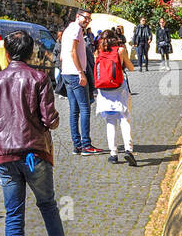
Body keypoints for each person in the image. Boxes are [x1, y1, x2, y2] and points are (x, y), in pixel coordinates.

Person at [0, 30, 69, 236]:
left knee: (13, 215)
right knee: (48, 206)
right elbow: (50, 120)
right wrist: (55, 118)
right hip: (34, 154)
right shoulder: (39, 79)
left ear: (7, 53)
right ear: (31, 52)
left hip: (5, 157)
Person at [59, 9, 104, 155]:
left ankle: (77, 145)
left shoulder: (67, 29)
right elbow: (72, 51)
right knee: (84, 109)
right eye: (85, 18)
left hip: (66, 72)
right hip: (75, 74)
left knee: (74, 110)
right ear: (78, 16)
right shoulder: (76, 29)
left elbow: (62, 55)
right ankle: (86, 145)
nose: (87, 21)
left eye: (89, 19)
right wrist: (80, 72)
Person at [93, 29, 137, 165]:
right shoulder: (120, 50)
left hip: (104, 91)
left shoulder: (98, 52)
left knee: (110, 122)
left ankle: (113, 153)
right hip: (119, 89)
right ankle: (128, 150)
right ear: (115, 38)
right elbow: (131, 68)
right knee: (124, 119)